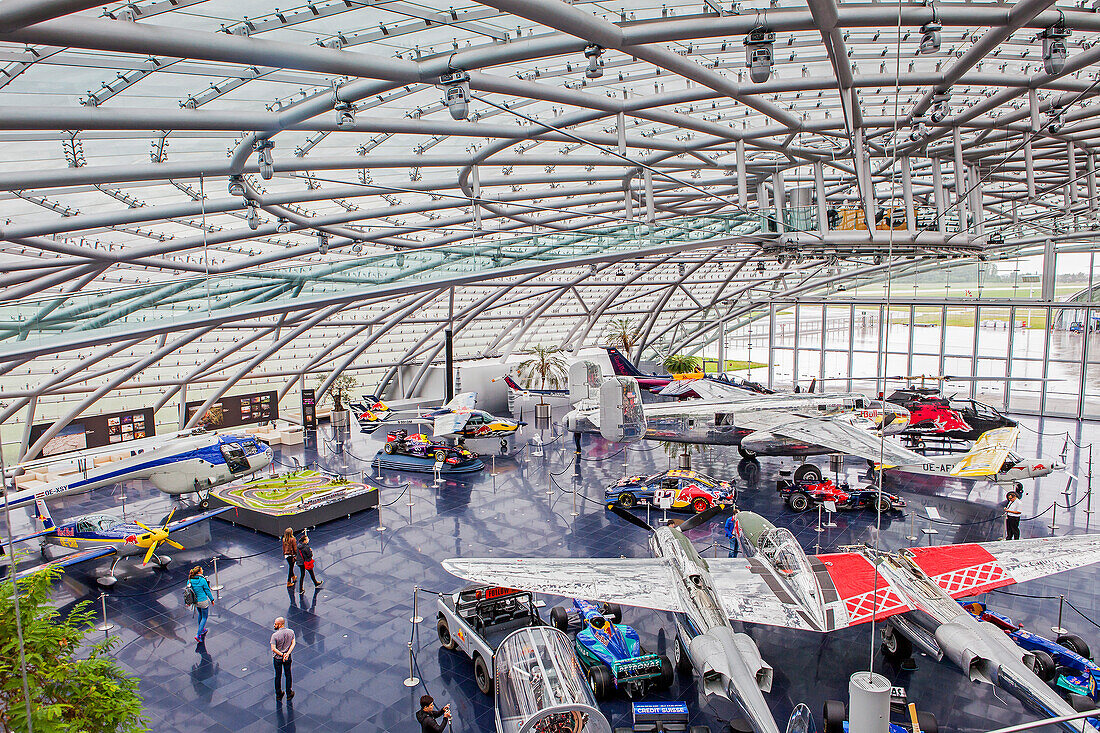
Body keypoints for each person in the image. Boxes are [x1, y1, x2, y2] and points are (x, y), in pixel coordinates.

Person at [270, 617, 296, 701]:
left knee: (278, 676)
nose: (274, 625)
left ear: (280, 624)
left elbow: (273, 648)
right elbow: (293, 643)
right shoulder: (291, 632)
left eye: (275, 623)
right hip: (287, 658)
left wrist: (282, 654)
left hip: (277, 658)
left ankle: (279, 694)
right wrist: (287, 654)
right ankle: (289, 693)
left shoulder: (275, 636)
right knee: (288, 674)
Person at [188, 566, 213, 642]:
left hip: (195, 601)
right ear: (199, 572)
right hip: (203, 601)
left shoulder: (190, 580)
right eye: (202, 570)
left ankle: (202, 630)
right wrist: (212, 599)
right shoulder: (202, 580)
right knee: (204, 617)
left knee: (200, 615)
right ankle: (198, 635)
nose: (203, 570)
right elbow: (207, 590)